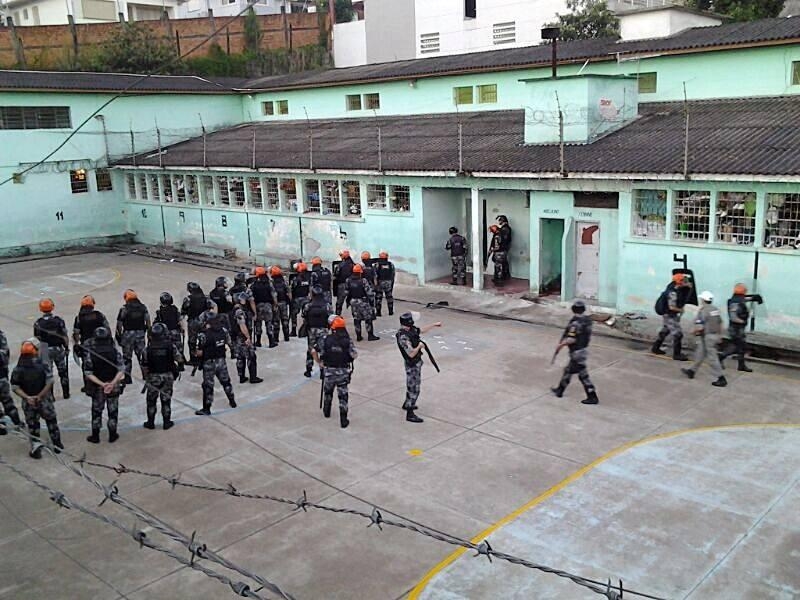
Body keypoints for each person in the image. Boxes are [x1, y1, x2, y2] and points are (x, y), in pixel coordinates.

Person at [11, 340, 63, 458]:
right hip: (44, 400)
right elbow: (50, 381)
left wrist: (27, 397)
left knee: (33, 426)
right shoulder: (43, 364)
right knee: (51, 422)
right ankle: (57, 445)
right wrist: (40, 395)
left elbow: (15, 386)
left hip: (29, 402)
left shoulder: (18, 368)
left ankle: (36, 450)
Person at [396, 313, 442, 423]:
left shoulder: (410, 330)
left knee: (412, 386)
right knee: (414, 388)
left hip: (416, 362)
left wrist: (434, 325)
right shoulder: (403, 336)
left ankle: (407, 403)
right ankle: (410, 413)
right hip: (412, 364)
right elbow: (411, 353)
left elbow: (420, 330)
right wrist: (419, 346)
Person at [551, 300, 599, 405]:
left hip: (577, 352)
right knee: (568, 371)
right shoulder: (587, 320)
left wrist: (561, 345)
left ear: (573, 309)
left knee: (583, 376)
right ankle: (560, 390)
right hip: (582, 350)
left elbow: (571, 339)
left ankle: (592, 396)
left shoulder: (575, 323)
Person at [82, 327, 125, 444]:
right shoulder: (114, 352)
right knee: (113, 411)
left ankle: (95, 436)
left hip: (97, 387)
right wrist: (112, 383)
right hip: (113, 386)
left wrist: (102, 384)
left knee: (96, 411)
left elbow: (88, 373)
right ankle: (112, 435)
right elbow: (121, 370)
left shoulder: (91, 354)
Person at [314, 316, 357, 429]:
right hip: (343, 371)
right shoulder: (348, 340)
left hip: (329, 371)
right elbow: (354, 355)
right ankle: (343, 420)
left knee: (328, 392)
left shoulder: (325, 338)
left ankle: (326, 411)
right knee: (343, 396)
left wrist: (319, 362)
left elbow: (314, 350)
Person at [682, 291, 726, 387]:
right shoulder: (715, 310)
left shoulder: (703, 311)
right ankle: (692, 371)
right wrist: (720, 335)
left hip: (707, 336)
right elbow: (721, 323)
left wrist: (693, 332)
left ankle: (721, 378)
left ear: (703, 300)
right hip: (714, 335)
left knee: (712, 358)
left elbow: (700, 326)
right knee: (700, 353)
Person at [141, 323, 180, 430]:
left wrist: (146, 377)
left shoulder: (147, 349)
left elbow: (144, 366)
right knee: (166, 400)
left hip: (153, 377)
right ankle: (167, 423)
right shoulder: (171, 346)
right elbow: (179, 358)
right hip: (167, 376)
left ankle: (150, 422)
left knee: (151, 401)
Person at [195, 314, 236, 416]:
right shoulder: (224, 331)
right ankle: (232, 401)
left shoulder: (203, 335)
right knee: (226, 382)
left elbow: (199, 352)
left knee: (208, 386)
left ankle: (206, 408)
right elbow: (230, 343)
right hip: (221, 361)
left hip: (209, 363)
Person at [719, 283, 763, 373]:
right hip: (735, 329)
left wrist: (754, 298)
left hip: (739, 329)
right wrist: (742, 321)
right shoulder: (734, 302)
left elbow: (745, 299)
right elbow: (733, 316)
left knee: (740, 347)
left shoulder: (737, 299)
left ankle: (741, 365)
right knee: (737, 346)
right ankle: (721, 357)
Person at [34, 298, 70, 399]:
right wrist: (66, 348)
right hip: (58, 348)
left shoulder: (38, 323)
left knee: (48, 374)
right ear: (52, 307)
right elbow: (64, 336)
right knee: (63, 372)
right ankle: (66, 393)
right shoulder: (58, 321)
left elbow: (37, 339)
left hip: (45, 349)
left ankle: (51, 396)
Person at [651, 273, 691, 361]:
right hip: (669, 315)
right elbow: (671, 307)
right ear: (679, 282)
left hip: (668, 314)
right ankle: (677, 354)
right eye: (684, 281)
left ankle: (655, 348)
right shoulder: (672, 292)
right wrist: (680, 310)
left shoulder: (674, 287)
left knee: (665, 331)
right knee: (678, 334)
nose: (686, 282)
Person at [116, 289, 151, 384]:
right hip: (140, 334)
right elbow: (148, 321)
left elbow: (119, 324)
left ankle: (127, 378)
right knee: (143, 356)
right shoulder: (143, 307)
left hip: (127, 335)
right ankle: (146, 376)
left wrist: (119, 335)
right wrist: (149, 333)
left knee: (127, 357)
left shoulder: (124, 309)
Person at [72, 295, 110, 375]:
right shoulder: (99, 315)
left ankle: (88, 384)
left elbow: (76, 333)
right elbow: (107, 329)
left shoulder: (79, 318)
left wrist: (76, 344)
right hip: (101, 344)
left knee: (87, 366)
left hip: (86, 345)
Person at [230, 292, 263, 385]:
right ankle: (253, 377)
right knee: (251, 356)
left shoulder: (233, 310)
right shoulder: (240, 311)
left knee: (240, 357)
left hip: (235, 338)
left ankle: (242, 377)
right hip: (242, 337)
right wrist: (248, 337)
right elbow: (242, 325)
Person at [182, 282, 216, 364]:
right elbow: (213, 306)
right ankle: (203, 356)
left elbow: (183, 310)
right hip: (203, 321)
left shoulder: (188, 298)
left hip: (193, 321)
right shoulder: (205, 297)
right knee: (203, 338)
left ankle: (193, 358)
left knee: (192, 340)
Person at [302, 286, 332, 378]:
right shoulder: (327, 305)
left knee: (311, 349)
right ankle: (323, 371)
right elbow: (331, 318)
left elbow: (304, 316)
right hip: (323, 330)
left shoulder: (308, 305)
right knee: (323, 350)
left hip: (311, 330)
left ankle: (308, 370)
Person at [346, 264, 380, 342]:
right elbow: (369, 293)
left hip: (354, 302)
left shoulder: (348, 280)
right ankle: (370, 336)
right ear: (360, 272)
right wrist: (372, 303)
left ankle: (358, 336)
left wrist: (348, 302)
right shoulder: (363, 281)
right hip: (363, 302)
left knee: (357, 319)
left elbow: (347, 292)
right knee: (368, 319)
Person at [0, 329, 23, 435]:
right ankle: (17, 423)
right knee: (8, 402)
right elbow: (5, 354)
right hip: (1, 378)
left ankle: (2, 428)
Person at [154, 292, 185, 364]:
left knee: (166, 348)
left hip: (165, 333)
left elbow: (156, 323)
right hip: (175, 332)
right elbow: (180, 320)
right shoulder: (175, 309)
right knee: (179, 348)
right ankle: (181, 363)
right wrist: (183, 329)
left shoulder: (159, 311)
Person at [251, 266, 278, 348]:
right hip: (268, 306)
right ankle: (271, 342)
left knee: (258, 324)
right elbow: (274, 295)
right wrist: (275, 305)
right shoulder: (269, 284)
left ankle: (258, 342)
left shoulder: (254, 285)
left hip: (258, 306)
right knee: (269, 323)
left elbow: (251, 297)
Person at [271, 266, 292, 343]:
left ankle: (276, 339)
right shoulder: (284, 282)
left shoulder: (272, 283)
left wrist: (275, 304)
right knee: (285, 320)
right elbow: (289, 292)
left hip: (276, 304)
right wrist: (290, 301)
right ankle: (286, 337)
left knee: (276, 321)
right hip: (284, 303)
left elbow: (273, 295)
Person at [290, 262, 312, 337]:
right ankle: (307, 329)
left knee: (294, 315)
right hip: (306, 298)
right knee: (306, 315)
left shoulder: (296, 278)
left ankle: (293, 330)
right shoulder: (309, 278)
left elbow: (292, 288)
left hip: (297, 299)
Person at [374, 250, 396, 316]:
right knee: (389, 297)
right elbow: (393, 274)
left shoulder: (377, 265)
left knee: (378, 298)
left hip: (380, 283)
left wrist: (375, 284)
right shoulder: (390, 264)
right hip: (388, 282)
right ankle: (391, 311)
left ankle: (378, 312)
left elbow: (375, 275)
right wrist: (391, 283)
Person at [334, 249, 355, 315]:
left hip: (342, 285)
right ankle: (355, 314)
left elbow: (336, 275)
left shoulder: (340, 265)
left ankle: (338, 315)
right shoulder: (353, 264)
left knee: (339, 302)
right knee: (353, 301)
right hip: (352, 285)